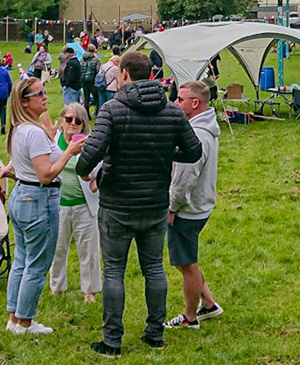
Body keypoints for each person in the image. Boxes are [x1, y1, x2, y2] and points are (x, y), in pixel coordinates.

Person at [73, 50, 202, 357]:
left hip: (117, 203)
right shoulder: (171, 112)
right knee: (154, 269)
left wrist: (98, 166)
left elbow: (86, 160)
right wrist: (165, 154)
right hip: (155, 203)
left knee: (114, 271)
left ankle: (112, 341)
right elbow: (194, 151)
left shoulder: (112, 110)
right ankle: (155, 334)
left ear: (125, 74)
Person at [3, 76, 82, 336]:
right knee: (36, 264)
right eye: (38, 94)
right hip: (39, 199)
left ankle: (14, 318)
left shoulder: (20, 128)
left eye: (44, 91)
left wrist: (56, 140)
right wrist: (69, 152)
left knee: (22, 260)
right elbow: (46, 174)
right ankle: (25, 323)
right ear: (24, 102)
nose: (45, 96)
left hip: (21, 196)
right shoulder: (34, 133)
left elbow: (31, 160)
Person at [165, 81, 223, 329]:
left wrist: (172, 208)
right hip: (200, 205)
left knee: (186, 264)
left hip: (187, 210)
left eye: (180, 99)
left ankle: (190, 318)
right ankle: (209, 304)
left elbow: (183, 180)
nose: (175, 103)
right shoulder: (206, 127)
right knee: (186, 261)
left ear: (195, 103)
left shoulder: (195, 135)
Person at [49, 103, 101, 304]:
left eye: (78, 121)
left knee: (88, 250)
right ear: (61, 121)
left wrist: (94, 178)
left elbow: (101, 168)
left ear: (83, 125)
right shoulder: (52, 141)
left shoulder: (90, 144)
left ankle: (89, 291)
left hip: (84, 205)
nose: (73, 123)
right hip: (58, 203)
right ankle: (56, 287)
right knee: (57, 248)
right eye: (68, 119)